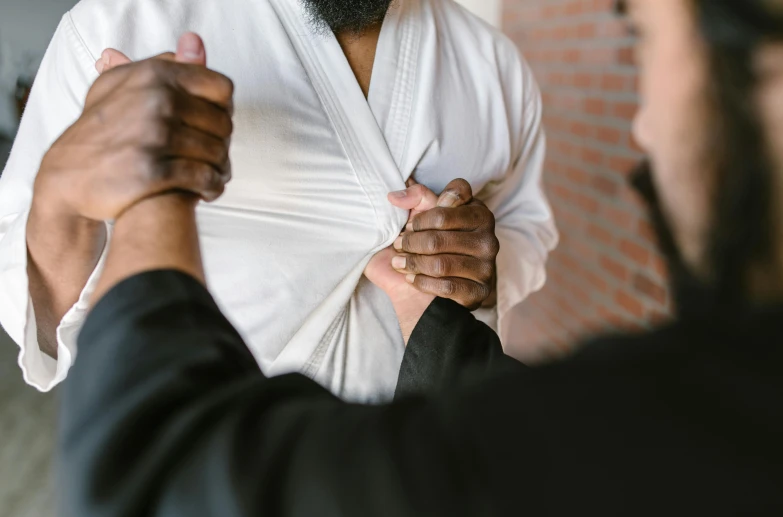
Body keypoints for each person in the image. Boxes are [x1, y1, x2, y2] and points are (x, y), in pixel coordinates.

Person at [60, 0, 783, 517]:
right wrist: (433, 303)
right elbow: (29, 238)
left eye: (646, 37)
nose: (644, 126)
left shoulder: (489, 61)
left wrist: (152, 192)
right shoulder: (115, 24)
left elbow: (151, 485)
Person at [0, 0, 557, 403]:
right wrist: (62, 201)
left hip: (416, 465)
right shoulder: (118, 24)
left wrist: (483, 265)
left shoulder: (494, 68)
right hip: (216, 462)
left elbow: (527, 226)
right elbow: (23, 298)